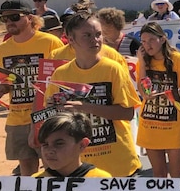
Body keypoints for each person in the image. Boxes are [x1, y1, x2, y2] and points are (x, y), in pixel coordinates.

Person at [46, 12, 142, 177]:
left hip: (117, 164)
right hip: (78, 167)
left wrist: (85, 107)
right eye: (87, 35)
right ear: (71, 39)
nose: (95, 40)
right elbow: (52, 115)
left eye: (98, 34)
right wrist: (53, 109)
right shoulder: (60, 75)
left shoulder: (113, 69)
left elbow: (127, 112)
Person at [0, 0, 64, 175]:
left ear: (30, 18)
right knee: (26, 169)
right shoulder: (3, 50)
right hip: (17, 118)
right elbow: (7, 82)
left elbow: (64, 77)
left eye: (15, 17)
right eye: (5, 19)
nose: (9, 22)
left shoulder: (50, 42)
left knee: (54, 167)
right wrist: (1, 90)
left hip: (47, 116)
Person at [136, 22, 180, 178]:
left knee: (177, 174)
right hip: (150, 125)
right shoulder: (143, 62)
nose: (147, 45)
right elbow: (144, 92)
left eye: (150, 40)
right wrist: (142, 63)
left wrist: (165, 95)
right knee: (159, 174)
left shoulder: (178, 60)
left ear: (162, 39)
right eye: (143, 42)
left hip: (174, 126)